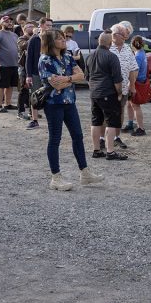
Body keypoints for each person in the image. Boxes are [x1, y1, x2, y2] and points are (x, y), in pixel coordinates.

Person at [38, 30, 103, 191]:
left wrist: (66, 79)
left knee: (78, 136)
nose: (63, 40)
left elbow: (82, 75)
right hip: (53, 104)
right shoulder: (45, 60)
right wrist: (70, 80)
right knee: (55, 139)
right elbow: (55, 84)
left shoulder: (67, 57)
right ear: (51, 42)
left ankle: (85, 172)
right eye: (59, 38)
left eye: (63, 38)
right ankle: (56, 177)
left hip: (69, 102)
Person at [86, 32, 128, 162]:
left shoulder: (89, 56)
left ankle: (96, 150)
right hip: (108, 93)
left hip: (94, 93)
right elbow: (117, 80)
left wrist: (94, 88)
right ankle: (110, 152)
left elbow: (87, 77)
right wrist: (120, 93)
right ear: (110, 43)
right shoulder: (112, 56)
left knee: (96, 121)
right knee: (111, 122)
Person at [109, 23, 139, 149]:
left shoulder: (127, 48)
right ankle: (101, 139)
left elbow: (133, 69)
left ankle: (117, 137)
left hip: (124, 89)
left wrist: (132, 85)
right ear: (114, 35)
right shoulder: (107, 48)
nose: (126, 38)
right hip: (108, 89)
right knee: (106, 114)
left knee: (120, 113)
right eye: (124, 35)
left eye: (126, 35)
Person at [25, 18, 52, 129]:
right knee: (35, 96)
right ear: (41, 25)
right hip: (36, 73)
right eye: (47, 25)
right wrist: (28, 75)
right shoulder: (34, 39)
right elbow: (29, 58)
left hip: (49, 73)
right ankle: (34, 120)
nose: (50, 27)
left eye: (51, 25)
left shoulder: (52, 39)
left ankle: (51, 120)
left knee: (50, 97)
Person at [0, 16, 20, 113]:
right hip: (3, 65)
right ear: (1, 23)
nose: (9, 23)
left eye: (11, 21)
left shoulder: (14, 35)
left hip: (14, 64)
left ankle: (7, 104)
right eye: (6, 21)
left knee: (10, 85)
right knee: (1, 85)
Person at [127, 35, 149, 136]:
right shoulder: (142, 53)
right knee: (130, 104)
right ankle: (130, 123)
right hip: (142, 80)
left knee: (136, 106)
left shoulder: (137, 56)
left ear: (132, 45)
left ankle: (141, 128)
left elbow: (134, 72)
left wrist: (130, 85)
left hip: (136, 82)